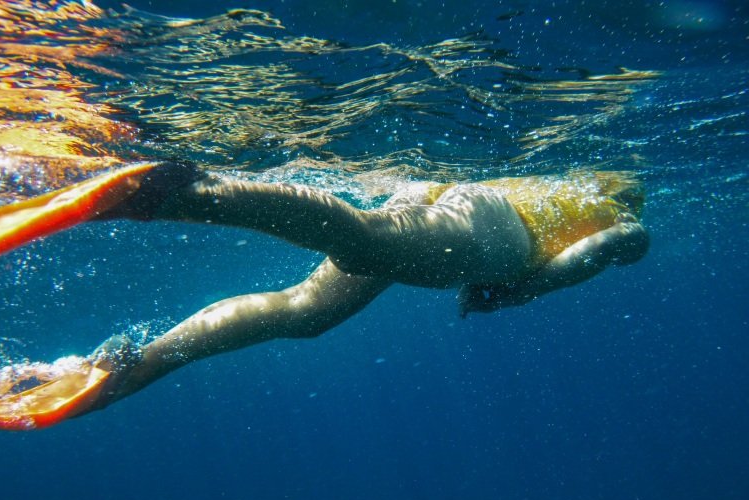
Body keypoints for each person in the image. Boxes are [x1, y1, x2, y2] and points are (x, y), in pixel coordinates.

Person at [87, 163, 649, 409]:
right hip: (496, 234)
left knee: (308, 311)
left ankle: (144, 360)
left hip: (464, 201)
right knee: (363, 241)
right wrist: (517, 293)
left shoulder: (559, 187)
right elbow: (596, 251)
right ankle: (190, 192)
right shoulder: (628, 220)